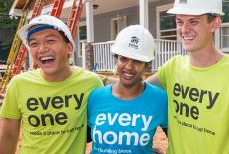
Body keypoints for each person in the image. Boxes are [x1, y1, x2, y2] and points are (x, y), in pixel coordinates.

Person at [147, 0, 229, 154]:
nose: (184, 29)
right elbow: (137, 91)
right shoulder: (172, 67)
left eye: (193, 21)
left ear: (214, 23)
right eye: (180, 21)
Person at [0, 15, 103, 154]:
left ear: (69, 47)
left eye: (50, 40)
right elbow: (8, 136)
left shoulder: (91, 82)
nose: (42, 49)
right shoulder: (18, 84)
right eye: (34, 43)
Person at [88, 25, 168, 154]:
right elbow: (80, 137)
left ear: (146, 65)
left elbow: (177, 140)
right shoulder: (96, 97)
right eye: (123, 59)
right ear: (117, 60)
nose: (129, 67)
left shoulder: (160, 100)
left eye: (137, 61)